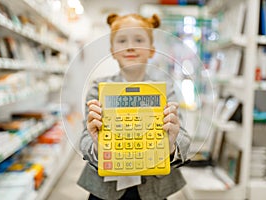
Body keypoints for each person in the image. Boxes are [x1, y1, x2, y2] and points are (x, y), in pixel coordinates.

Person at [77, 13, 191, 200]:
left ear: (152, 50)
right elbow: (84, 139)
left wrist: (169, 144)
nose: (130, 46)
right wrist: (98, 144)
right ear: (112, 50)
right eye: (122, 40)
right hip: (105, 190)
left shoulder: (165, 89)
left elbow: (184, 138)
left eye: (139, 39)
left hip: (154, 189)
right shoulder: (98, 89)